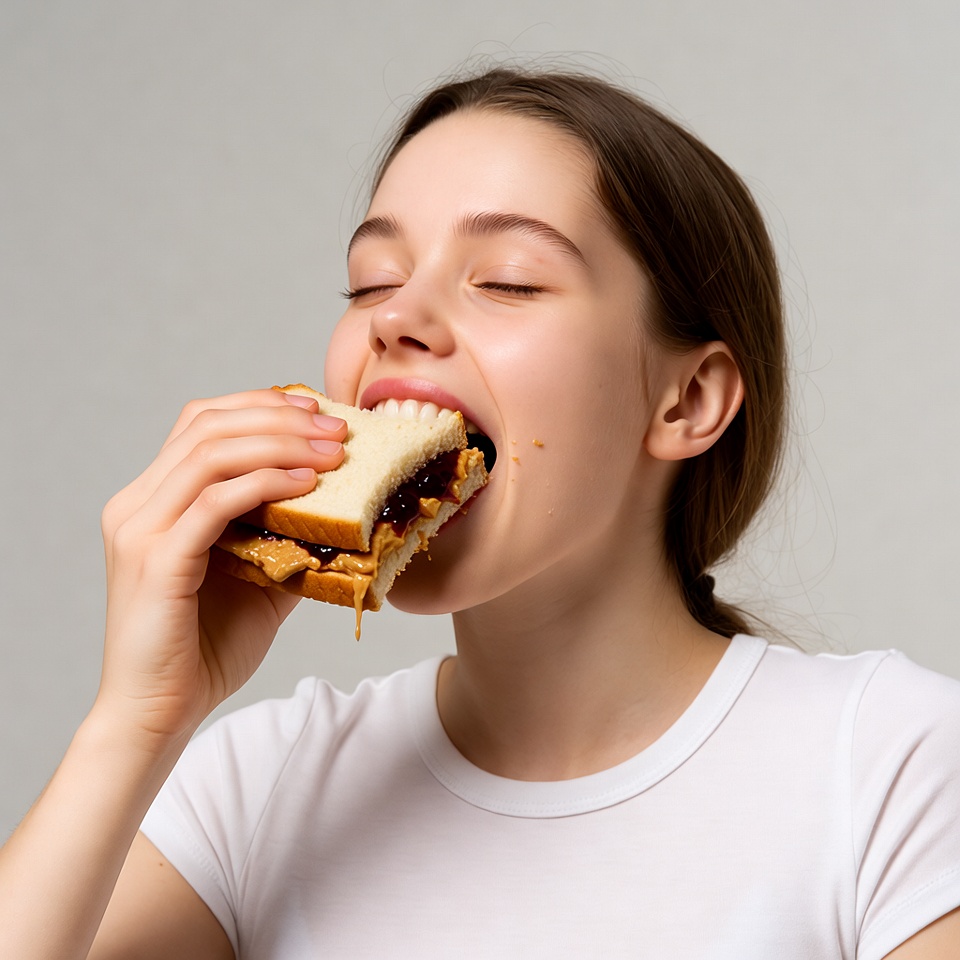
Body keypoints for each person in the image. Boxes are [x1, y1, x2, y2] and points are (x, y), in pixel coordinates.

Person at [1, 66, 958, 960]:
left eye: (507, 279)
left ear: (687, 401)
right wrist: (134, 723)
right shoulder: (257, 785)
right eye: (372, 282)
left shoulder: (889, 765)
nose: (393, 318)